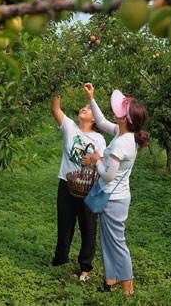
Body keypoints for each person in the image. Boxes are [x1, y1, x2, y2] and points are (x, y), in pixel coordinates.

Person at [82, 83, 149, 296]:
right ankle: (110, 280)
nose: (115, 113)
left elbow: (108, 174)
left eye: (120, 111)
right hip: (112, 197)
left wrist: (95, 160)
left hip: (114, 199)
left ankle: (128, 287)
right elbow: (101, 122)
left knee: (117, 243)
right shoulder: (122, 132)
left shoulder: (123, 143)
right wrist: (91, 98)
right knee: (108, 240)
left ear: (124, 119)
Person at [50, 94, 106, 281]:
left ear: (94, 118)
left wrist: (94, 159)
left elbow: (103, 161)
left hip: (89, 187)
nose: (84, 109)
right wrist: (56, 89)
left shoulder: (98, 138)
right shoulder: (70, 128)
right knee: (64, 224)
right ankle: (60, 260)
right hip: (67, 184)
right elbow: (56, 109)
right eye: (83, 107)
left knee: (88, 226)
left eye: (88, 109)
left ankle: (85, 268)